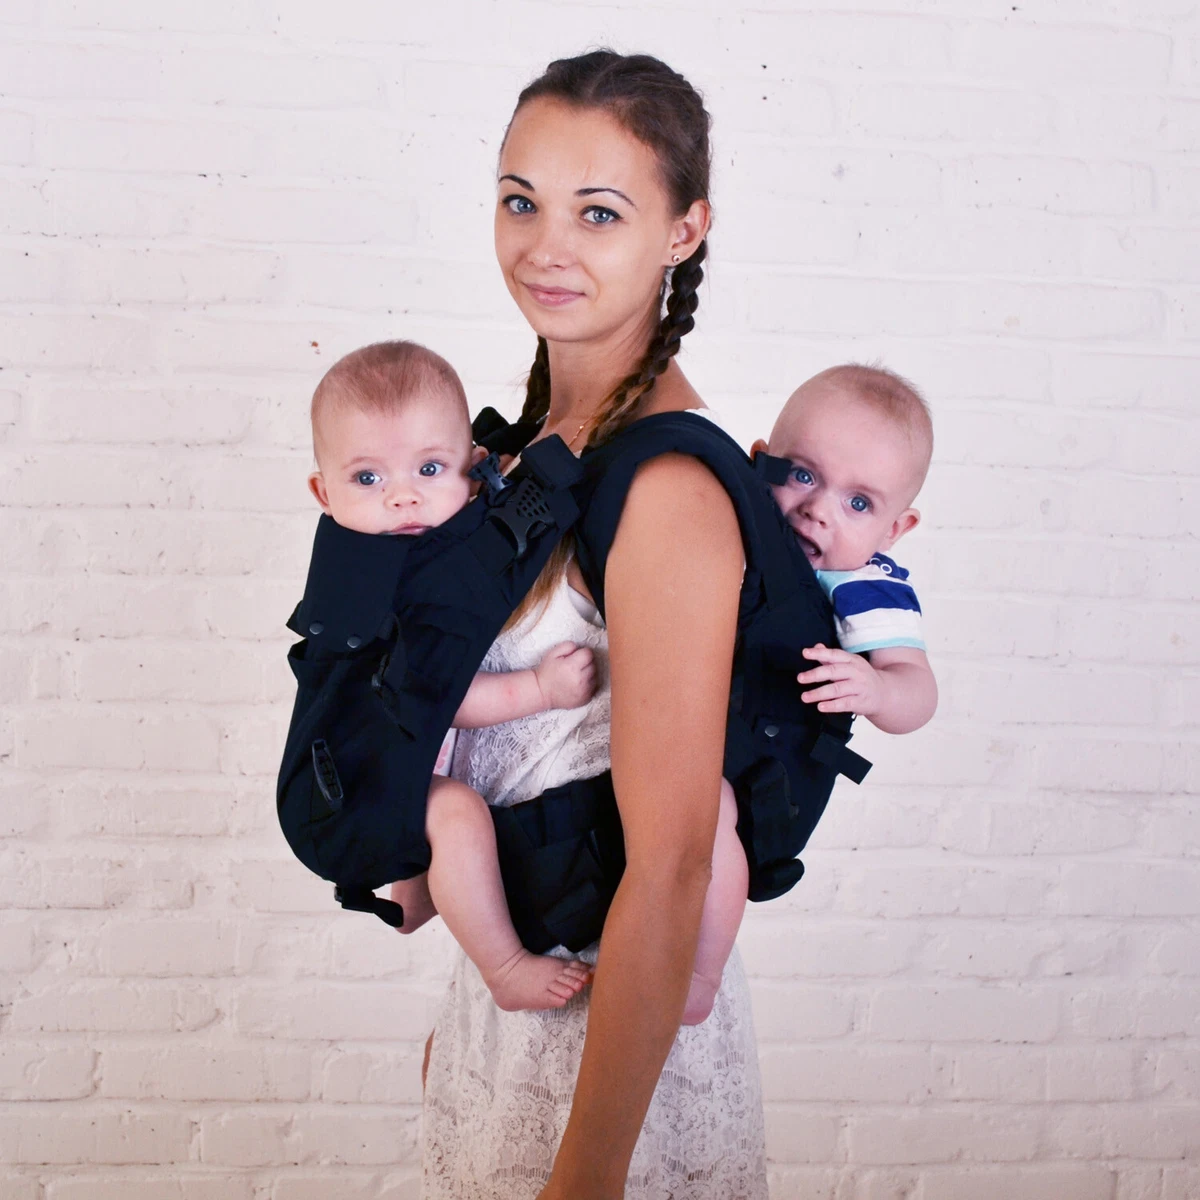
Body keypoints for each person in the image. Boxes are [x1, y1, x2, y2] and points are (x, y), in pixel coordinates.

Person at [420, 50, 769, 1199]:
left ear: (684, 231)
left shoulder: (665, 486)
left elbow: (672, 864)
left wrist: (587, 1177)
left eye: (600, 212)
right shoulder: (533, 445)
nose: (545, 246)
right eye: (520, 200)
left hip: (609, 1069)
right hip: (517, 1026)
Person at [305, 338, 598, 1012]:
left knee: (457, 802)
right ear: (324, 492)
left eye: (430, 468)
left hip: (400, 760)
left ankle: (416, 889)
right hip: (363, 785)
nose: (403, 497)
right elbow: (440, 696)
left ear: (475, 466)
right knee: (458, 813)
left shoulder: (423, 554)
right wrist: (539, 690)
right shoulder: (375, 588)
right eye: (368, 479)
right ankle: (504, 967)